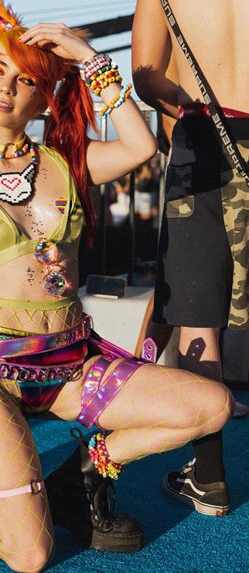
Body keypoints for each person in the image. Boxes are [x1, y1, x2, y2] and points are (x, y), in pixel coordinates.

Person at [0, 3, 233, 571]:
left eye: (27, 80)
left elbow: (142, 147)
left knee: (211, 405)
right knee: (31, 555)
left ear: (43, 99)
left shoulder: (67, 162)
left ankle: (87, 469)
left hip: (73, 366)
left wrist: (89, 58)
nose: (7, 87)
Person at [132, 0, 249, 517]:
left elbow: (145, 76)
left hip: (203, 139)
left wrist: (188, 103)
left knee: (197, 313)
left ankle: (209, 476)